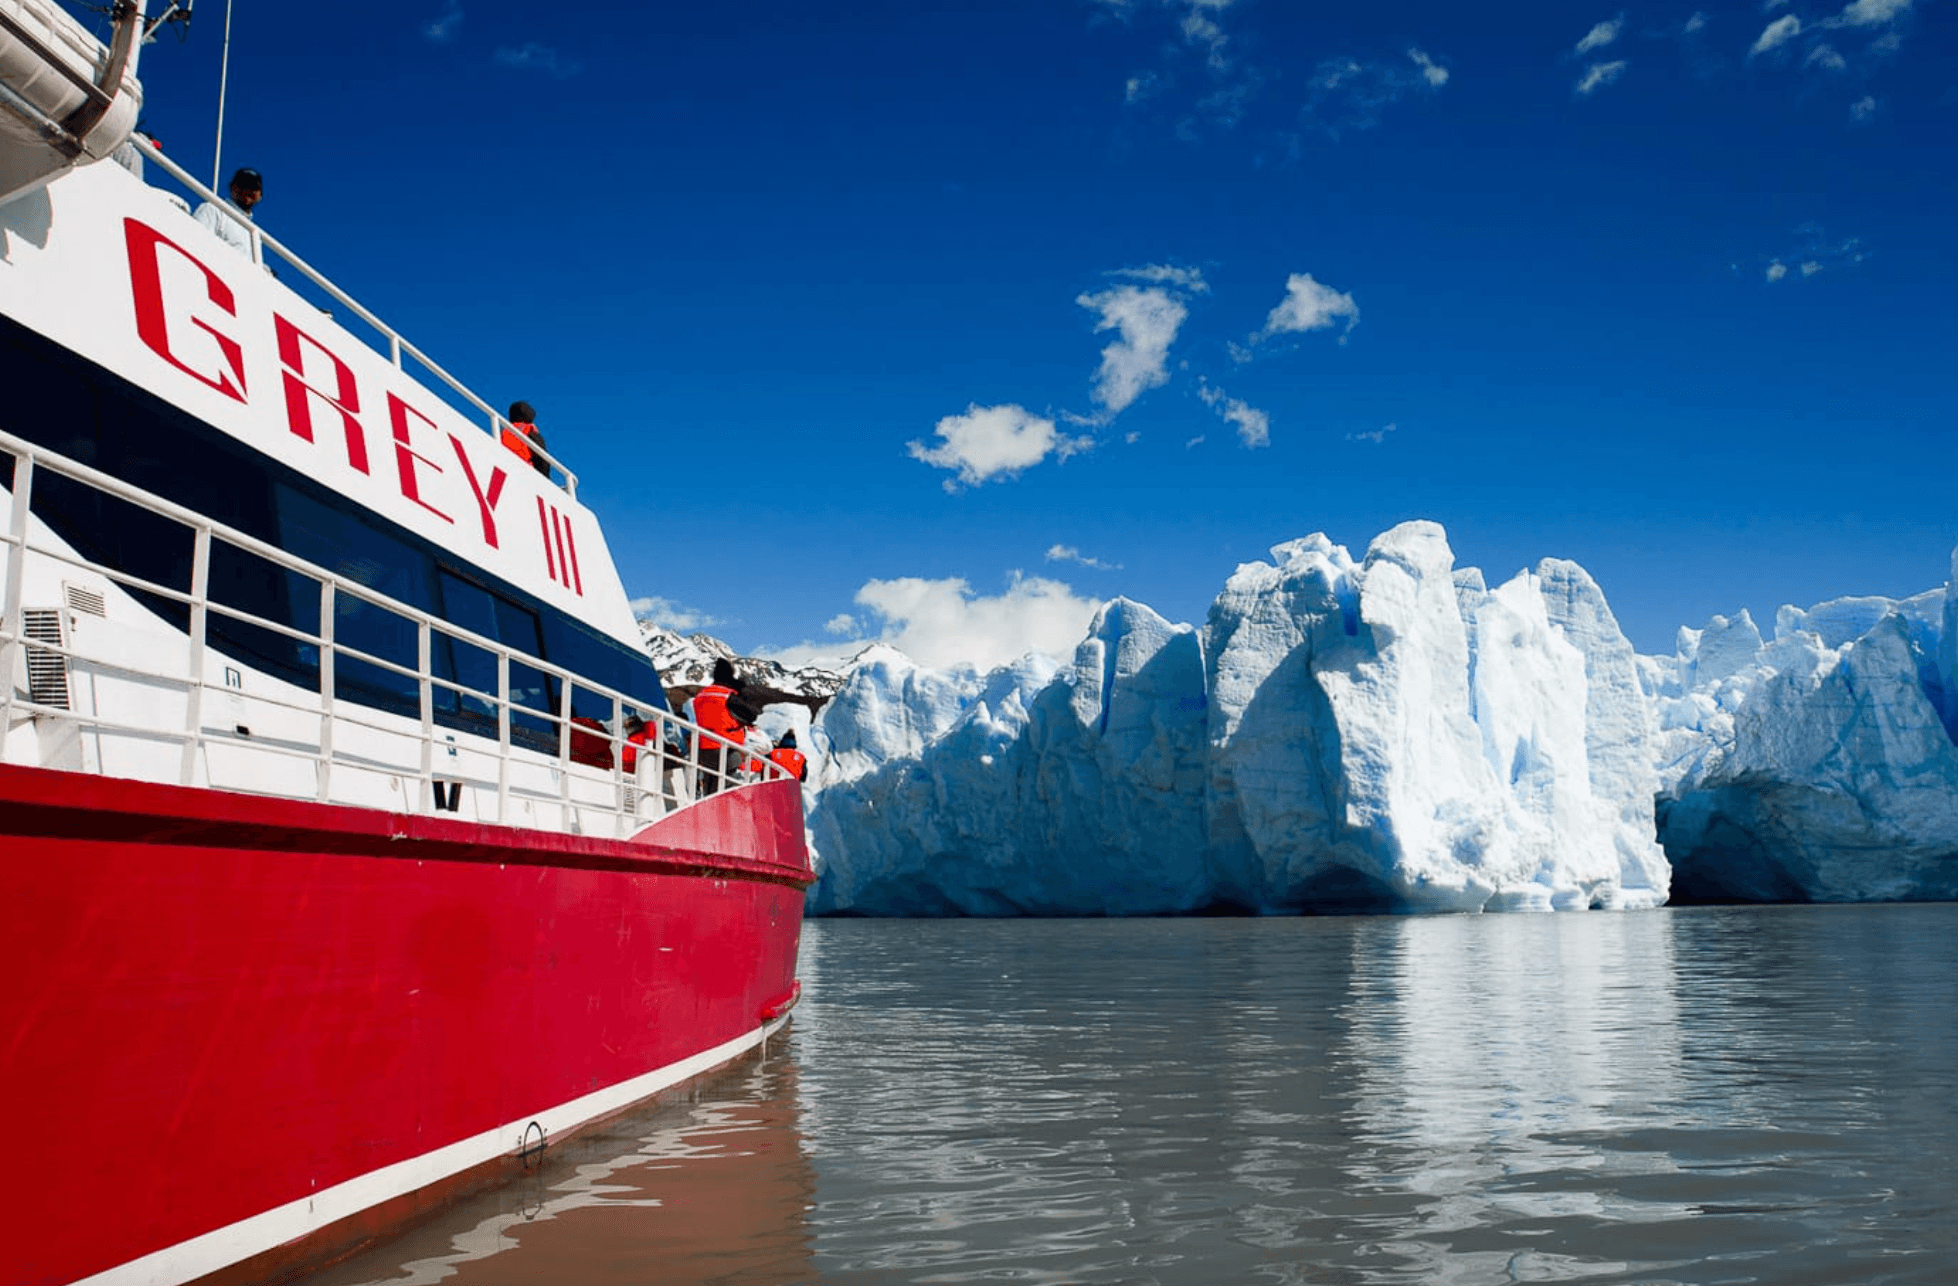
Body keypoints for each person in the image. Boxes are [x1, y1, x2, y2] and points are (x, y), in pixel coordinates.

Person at [681, 658, 751, 796]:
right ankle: (722, 813)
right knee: (726, 787)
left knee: (710, 783)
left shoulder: (701, 695)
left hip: (705, 747)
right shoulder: (729, 695)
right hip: (728, 748)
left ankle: (708, 808)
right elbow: (749, 715)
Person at [193, 167, 263, 259]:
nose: (248, 190)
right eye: (243, 184)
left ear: (260, 196)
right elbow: (195, 244)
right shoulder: (213, 210)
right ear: (232, 187)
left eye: (254, 188)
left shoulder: (255, 235)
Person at [501, 401, 551, 477]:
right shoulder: (529, 431)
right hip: (525, 473)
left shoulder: (503, 431)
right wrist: (546, 480)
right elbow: (542, 460)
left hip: (504, 469)